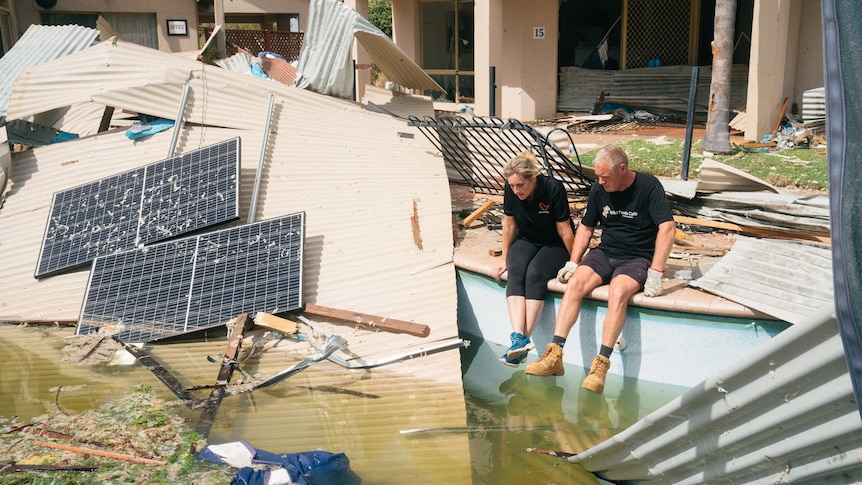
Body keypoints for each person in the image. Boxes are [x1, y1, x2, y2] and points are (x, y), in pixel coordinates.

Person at [525, 144, 675, 394]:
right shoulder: (599, 188)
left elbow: (667, 228)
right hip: (605, 253)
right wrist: (574, 261)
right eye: (598, 176)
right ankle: (554, 354)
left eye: (605, 176)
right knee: (575, 284)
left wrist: (656, 272)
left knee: (617, 292)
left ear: (623, 169)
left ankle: (601, 365)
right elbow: (585, 228)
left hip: (636, 258)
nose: (600, 181)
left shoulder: (649, 186)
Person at [492, 151, 575, 367]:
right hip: (527, 238)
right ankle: (519, 338)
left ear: (533, 178)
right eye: (512, 186)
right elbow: (509, 224)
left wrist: (575, 261)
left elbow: (564, 228)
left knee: (535, 273)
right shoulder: (511, 190)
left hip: (554, 242)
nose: (516, 190)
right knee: (516, 269)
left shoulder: (553, 188)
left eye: (520, 185)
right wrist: (504, 258)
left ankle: (520, 344)